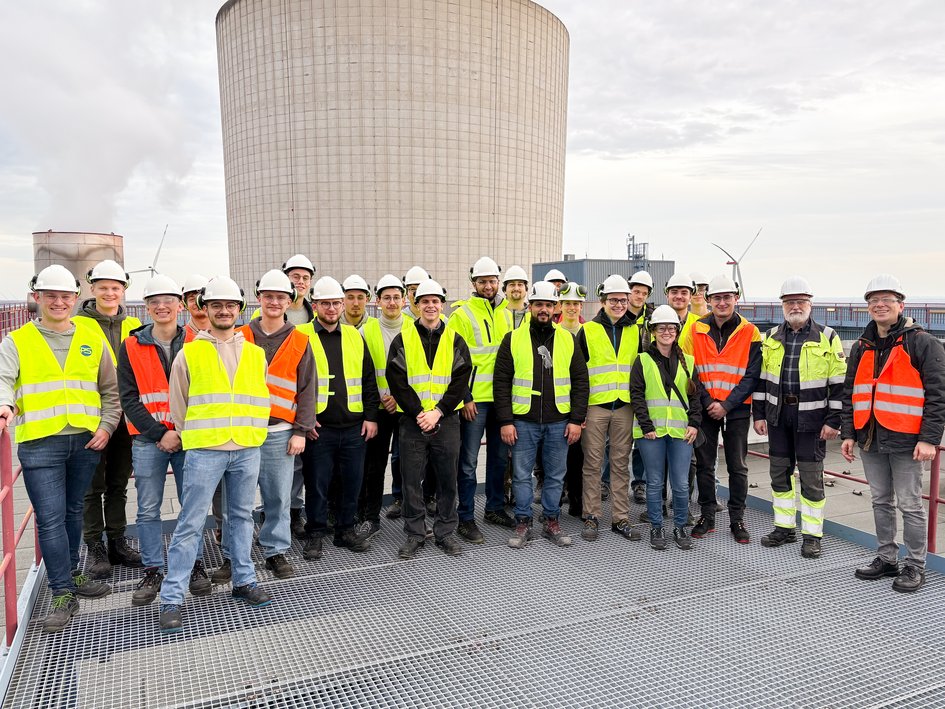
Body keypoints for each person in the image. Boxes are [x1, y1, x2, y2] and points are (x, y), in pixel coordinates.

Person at [0, 265, 118, 633]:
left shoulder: (91, 336)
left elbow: (109, 391)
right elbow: (3, 380)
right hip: (40, 443)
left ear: (74, 299)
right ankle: (62, 591)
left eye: (65, 296)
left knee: (70, 512)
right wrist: (4, 406)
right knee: (50, 518)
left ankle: (70, 574)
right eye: (50, 295)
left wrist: (107, 426)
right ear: (36, 298)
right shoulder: (16, 341)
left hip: (85, 440)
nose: (58, 301)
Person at [159, 277, 273, 633]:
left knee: (240, 517)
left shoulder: (255, 354)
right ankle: (172, 598)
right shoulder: (189, 353)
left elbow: (259, 397)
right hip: (206, 449)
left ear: (239, 309)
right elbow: (179, 406)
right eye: (216, 306)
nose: (224, 311)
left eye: (230, 305)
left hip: (245, 447)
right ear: (204, 309)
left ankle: (243, 580)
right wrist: (197, 434)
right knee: (190, 523)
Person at [841, 274, 945, 593]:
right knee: (880, 501)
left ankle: (915, 565)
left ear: (901, 305)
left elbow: (938, 394)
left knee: (910, 505)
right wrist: (848, 433)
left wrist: (929, 438)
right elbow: (850, 392)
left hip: (907, 440)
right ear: (868, 308)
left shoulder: (922, 342)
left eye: (886, 299)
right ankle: (887, 559)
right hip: (869, 438)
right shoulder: (862, 345)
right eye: (873, 301)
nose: (880, 305)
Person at [117, 275, 211, 606]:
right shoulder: (130, 346)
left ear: (180, 305)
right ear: (146, 307)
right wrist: (160, 433)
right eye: (154, 301)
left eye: (168, 300)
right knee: (147, 508)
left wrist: (181, 433)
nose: (162, 306)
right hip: (148, 440)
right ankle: (153, 569)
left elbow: (205, 394)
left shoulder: (200, 342)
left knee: (193, 506)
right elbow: (128, 398)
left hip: (190, 439)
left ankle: (195, 564)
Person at [753, 277, 846, 559]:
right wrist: (758, 414)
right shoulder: (769, 338)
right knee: (779, 475)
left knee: (811, 479)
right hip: (778, 417)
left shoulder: (827, 337)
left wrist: (834, 420)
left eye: (800, 301)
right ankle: (784, 527)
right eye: (789, 302)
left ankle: (812, 534)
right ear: (782, 305)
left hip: (812, 419)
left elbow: (840, 383)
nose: (795, 306)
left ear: (810, 304)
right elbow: (761, 381)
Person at [495, 282, 588, 548]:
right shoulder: (513, 338)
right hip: (523, 420)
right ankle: (523, 521)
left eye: (548, 305)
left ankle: (551, 520)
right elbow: (501, 382)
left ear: (555, 308)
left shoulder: (568, 339)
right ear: (530, 306)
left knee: (556, 474)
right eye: (539, 305)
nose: (544, 310)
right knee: (522, 475)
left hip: (559, 420)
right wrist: (505, 421)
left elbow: (581, 381)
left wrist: (575, 419)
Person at [238, 270, 316, 580]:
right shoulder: (238, 335)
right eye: (268, 296)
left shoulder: (299, 339)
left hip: (280, 431)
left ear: (289, 301)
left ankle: (275, 551)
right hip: (241, 430)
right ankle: (236, 553)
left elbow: (308, 387)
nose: (274, 302)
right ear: (258, 298)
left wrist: (300, 430)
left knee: (279, 496)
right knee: (239, 499)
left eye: (280, 297)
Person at [386, 280, 472, 559]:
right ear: (416, 305)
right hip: (413, 421)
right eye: (425, 301)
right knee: (411, 480)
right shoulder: (403, 339)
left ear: (442, 305)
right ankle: (415, 533)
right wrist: (419, 413)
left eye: (435, 301)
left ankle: (445, 532)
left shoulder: (455, 339)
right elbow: (396, 379)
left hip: (446, 420)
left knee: (448, 479)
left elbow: (461, 380)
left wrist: (438, 412)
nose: (431, 306)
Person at [298, 276, 379, 560]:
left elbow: (368, 379)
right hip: (319, 429)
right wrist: (304, 421)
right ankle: (316, 533)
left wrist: (371, 417)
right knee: (317, 484)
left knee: (352, 483)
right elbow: (292, 383)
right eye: (325, 304)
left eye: (335, 303)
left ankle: (346, 530)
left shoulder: (355, 335)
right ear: (315, 305)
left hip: (355, 427)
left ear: (342, 305)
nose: (331, 309)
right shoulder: (301, 335)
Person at [73, 259, 142, 578]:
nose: (109, 292)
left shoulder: (133, 327)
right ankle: (95, 546)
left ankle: (116, 540)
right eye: (103, 287)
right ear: (92, 289)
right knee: (92, 486)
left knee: (118, 484)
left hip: (127, 419)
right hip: (93, 419)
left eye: (115, 288)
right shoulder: (77, 325)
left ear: (124, 290)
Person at [680, 274, 761, 544]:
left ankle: (737, 519)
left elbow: (752, 375)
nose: (722, 302)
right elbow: (689, 370)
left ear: (736, 298)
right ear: (709, 300)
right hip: (705, 408)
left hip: (735, 409)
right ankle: (707, 515)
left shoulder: (750, 331)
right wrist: (707, 403)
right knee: (705, 464)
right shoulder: (695, 330)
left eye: (727, 297)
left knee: (738, 466)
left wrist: (726, 405)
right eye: (717, 297)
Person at [447, 256, 515, 542]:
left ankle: (495, 508)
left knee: (499, 459)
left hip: (501, 400)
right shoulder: (461, 315)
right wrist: (465, 397)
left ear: (498, 282)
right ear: (473, 283)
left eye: (492, 281)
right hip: (475, 400)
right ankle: (465, 518)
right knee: (468, 461)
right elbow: (453, 359)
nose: (488, 286)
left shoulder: (507, 313)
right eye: (482, 282)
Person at [576, 274, 645, 542]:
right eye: (614, 299)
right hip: (595, 406)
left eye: (623, 300)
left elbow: (639, 371)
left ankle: (620, 518)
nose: (619, 304)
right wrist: (579, 411)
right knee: (592, 463)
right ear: (603, 301)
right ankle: (591, 516)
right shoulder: (588, 331)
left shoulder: (634, 330)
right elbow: (579, 374)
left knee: (620, 464)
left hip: (624, 407)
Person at [631, 305, 702, 550]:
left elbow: (696, 398)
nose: (667, 332)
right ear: (653, 331)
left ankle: (681, 526)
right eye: (662, 328)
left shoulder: (688, 362)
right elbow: (636, 395)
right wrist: (646, 424)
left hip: (681, 432)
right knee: (655, 482)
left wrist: (694, 424)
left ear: (677, 331)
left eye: (671, 328)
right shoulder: (642, 360)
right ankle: (657, 526)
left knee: (681, 484)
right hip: (651, 433)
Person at [359, 274, 410, 534]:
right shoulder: (365, 331)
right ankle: (371, 518)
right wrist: (382, 397)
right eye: (386, 297)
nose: (392, 302)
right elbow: (364, 374)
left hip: (408, 409)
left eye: (396, 297)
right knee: (374, 467)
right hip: (378, 410)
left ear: (405, 300)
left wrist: (399, 399)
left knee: (412, 465)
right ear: (378, 301)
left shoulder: (415, 327)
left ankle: (414, 519)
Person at [557, 282, 587, 516]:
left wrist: (582, 411)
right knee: (553, 455)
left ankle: (576, 498)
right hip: (554, 404)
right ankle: (555, 496)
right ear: (561, 305)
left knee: (577, 456)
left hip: (578, 403)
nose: (571, 308)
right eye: (567, 303)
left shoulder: (589, 332)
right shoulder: (552, 331)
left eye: (576, 304)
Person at [627, 270, 655, 505]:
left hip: (645, 386)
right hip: (618, 386)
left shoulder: (652, 319)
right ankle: (605, 482)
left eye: (644, 293)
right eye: (636, 291)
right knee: (612, 441)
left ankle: (640, 484)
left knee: (642, 437)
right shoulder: (617, 314)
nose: (639, 296)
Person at [665, 273, 700, 339]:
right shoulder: (655, 322)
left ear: (690, 296)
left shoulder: (699, 323)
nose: (679, 296)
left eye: (684, 293)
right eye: (674, 292)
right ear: (667, 295)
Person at [182, 274, 210, 342]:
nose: (197, 302)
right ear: (186, 304)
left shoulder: (223, 334)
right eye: (192, 299)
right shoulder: (180, 337)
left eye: (201, 298)